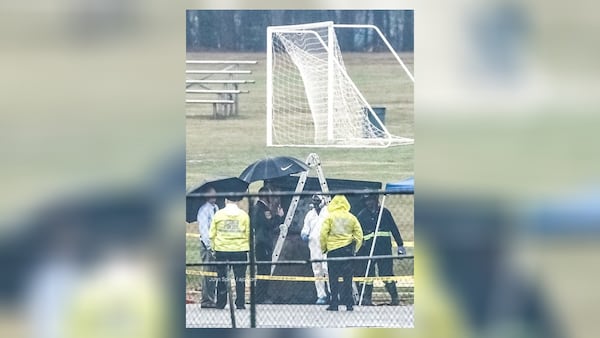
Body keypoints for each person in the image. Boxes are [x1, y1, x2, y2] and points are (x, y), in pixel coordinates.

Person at [356, 193, 406, 306]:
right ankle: (367, 298)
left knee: (386, 274)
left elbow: (394, 228)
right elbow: (358, 233)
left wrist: (400, 245)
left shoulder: (385, 213)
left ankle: (394, 297)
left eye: (370, 200)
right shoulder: (362, 215)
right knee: (368, 274)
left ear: (376, 200)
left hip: (384, 249)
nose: (369, 203)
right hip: (369, 250)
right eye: (366, 201)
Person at [320, 195, 363, 311]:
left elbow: (323, 234)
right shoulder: (351, 218)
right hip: (347, 251)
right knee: (347, 279)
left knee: (333, 279)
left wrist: (324, 248)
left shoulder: (330, 218)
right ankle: (349, 304)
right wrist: (355, 249)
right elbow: (359, 234)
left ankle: (334, 303)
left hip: (333, 251)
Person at [209, 195, 250, 310]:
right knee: (240, 278)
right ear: (237, 201)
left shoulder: (219, 215)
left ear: (226, 200)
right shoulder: (244, 215)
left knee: (222, 277)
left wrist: (213, 248)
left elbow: (212, 234)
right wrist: (247, 246)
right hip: (240, 250)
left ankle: (221, 303)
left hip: (222, 250)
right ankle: (240, 303)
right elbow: (248, 234)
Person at [251, 186, 284, 303]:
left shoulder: (258, 208)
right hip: (263, 243)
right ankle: (260, 297)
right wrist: (279, 217)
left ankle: (260, 295)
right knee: (264, 270)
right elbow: (269, 224)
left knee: (262, 270)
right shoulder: (262, 209)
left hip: (261, 242)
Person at [301, 194, 330, 304]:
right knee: (317, 270)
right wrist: (304, 234)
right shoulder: (310, 214)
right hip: (314, 246)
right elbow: (306, 228)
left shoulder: (328, 212)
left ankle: (332, 293)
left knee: (327, 269)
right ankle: (321, 295)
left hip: (326, 245)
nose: (316, 204)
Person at [196, 187, 218, 308]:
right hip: (208, 246)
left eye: (215, 194)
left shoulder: (217, 208)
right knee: (208, 272)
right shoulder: (204, 210)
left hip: (217, 244)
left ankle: (212, 298)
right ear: (206, 196)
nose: (214, 196)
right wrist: (210, 247)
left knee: (215, 272)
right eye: (211, 194)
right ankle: (206, 300)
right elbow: (204, 231)